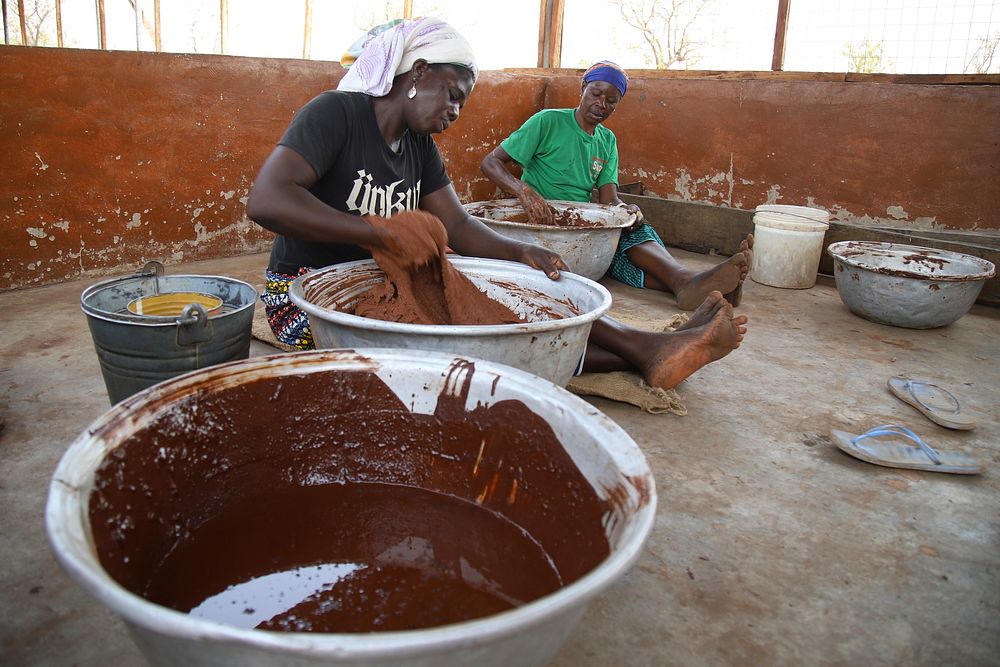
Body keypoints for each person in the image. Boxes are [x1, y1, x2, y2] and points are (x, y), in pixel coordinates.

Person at [246, 19, 747, 390]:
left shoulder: (419, 146)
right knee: (454, 337)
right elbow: (267, 200)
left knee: (489, 291)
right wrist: (377, 233)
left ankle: (645, 346)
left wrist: (519, 252)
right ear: (417, 72)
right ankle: (644, 351)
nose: (455, 111)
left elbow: (459, 226)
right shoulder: (336, 114)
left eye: (463, 102)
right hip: (306, 302)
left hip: (383, 280)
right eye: (452, 94)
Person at [480, 60, 754, 311]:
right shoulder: (548, 121)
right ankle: (696, 284)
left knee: (630, 238)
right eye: (596, 94)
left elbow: (610, 200)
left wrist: (626, 210)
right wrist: (524, 192)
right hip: (539, 220)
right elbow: (491, 163)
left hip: (580, 224)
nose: (602, 104)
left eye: (612, 100)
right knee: (613, 260)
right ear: (583, 88)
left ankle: (694, 285)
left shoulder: (607, 140)